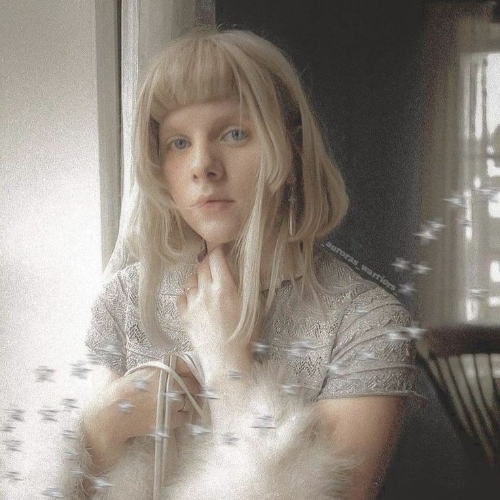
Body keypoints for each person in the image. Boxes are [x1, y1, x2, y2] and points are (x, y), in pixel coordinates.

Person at [60, 28, 419, 500]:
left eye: (234, 134)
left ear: (290, 147)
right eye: (178, 143)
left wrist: (229, 366)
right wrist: (101, 429)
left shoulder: (368, 325)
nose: (202, 166)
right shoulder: (124, 299)